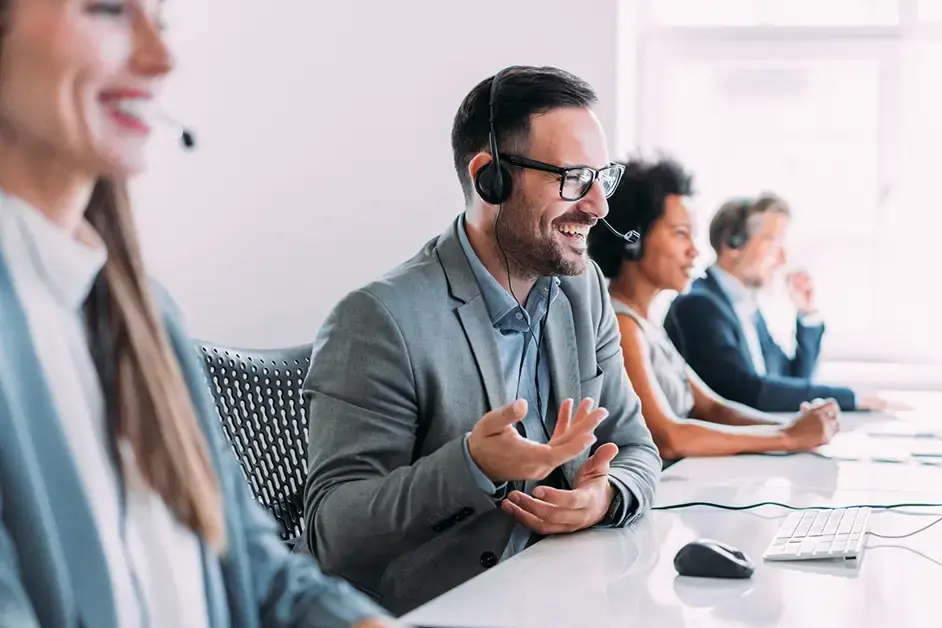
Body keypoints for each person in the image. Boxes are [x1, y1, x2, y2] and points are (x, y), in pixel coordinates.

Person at [0, 1, 389, 626]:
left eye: (161, 17)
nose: (162, 57)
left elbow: (249, 563)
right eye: (107, 9)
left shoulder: (148, 316)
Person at [299, 66, 661, 615]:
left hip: (567, 597)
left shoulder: (581, 290)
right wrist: (471, 465)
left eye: (601, 178)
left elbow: (636, 446)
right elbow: (332, 532)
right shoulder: (377, 319)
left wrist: (601, 498)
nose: (598, 206)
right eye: (572, 179)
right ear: (490, 177)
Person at [587, 156, 842, 460]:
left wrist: (794, 426)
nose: (694, 250)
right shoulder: (622, 324)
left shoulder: (647, 322)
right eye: (681, 233)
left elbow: (713, 407)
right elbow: (668, 436)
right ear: (633, 239)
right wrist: (787, 437)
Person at [665, 194, 893, 413]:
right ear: (732, 242)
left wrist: (807, 314)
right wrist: (849, 398)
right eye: (773, 242)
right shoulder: (697, 306)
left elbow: (793, 382)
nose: (782, 259)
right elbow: (746, 392)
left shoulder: (747, 309)